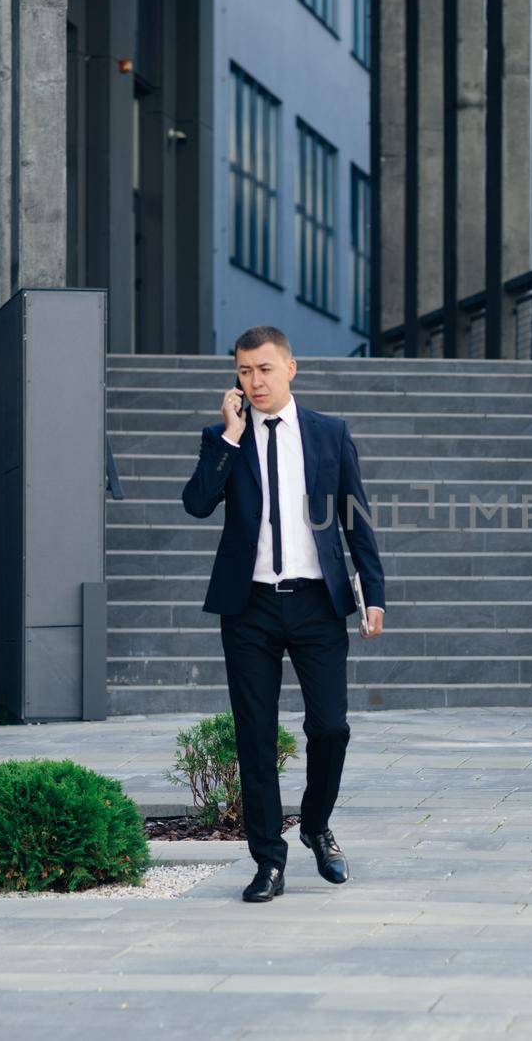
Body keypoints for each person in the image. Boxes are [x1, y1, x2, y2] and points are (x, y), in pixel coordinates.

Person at [181, 325, 386, 903]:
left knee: (331, 727)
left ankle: (316, 825)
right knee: (254, 735)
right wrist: (227, 437)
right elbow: (196, 504)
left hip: (318, 603)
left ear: (290, 368)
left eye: (265, 369)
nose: (255, 382)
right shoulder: (225, 438)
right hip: (249, 607)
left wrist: (374, 594)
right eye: (244, 372)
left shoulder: (327, 434)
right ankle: (268, 858)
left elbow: (356, 520)